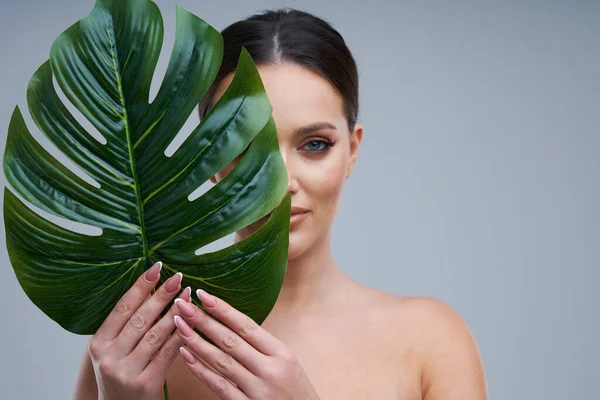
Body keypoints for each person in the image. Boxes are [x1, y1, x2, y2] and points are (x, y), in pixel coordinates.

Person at [72, 8, 487, 400]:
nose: (281, 182)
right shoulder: (137, 344)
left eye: (314, 145)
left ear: (353, 151)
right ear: (209, 158)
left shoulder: (430, 340)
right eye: (246, 145)